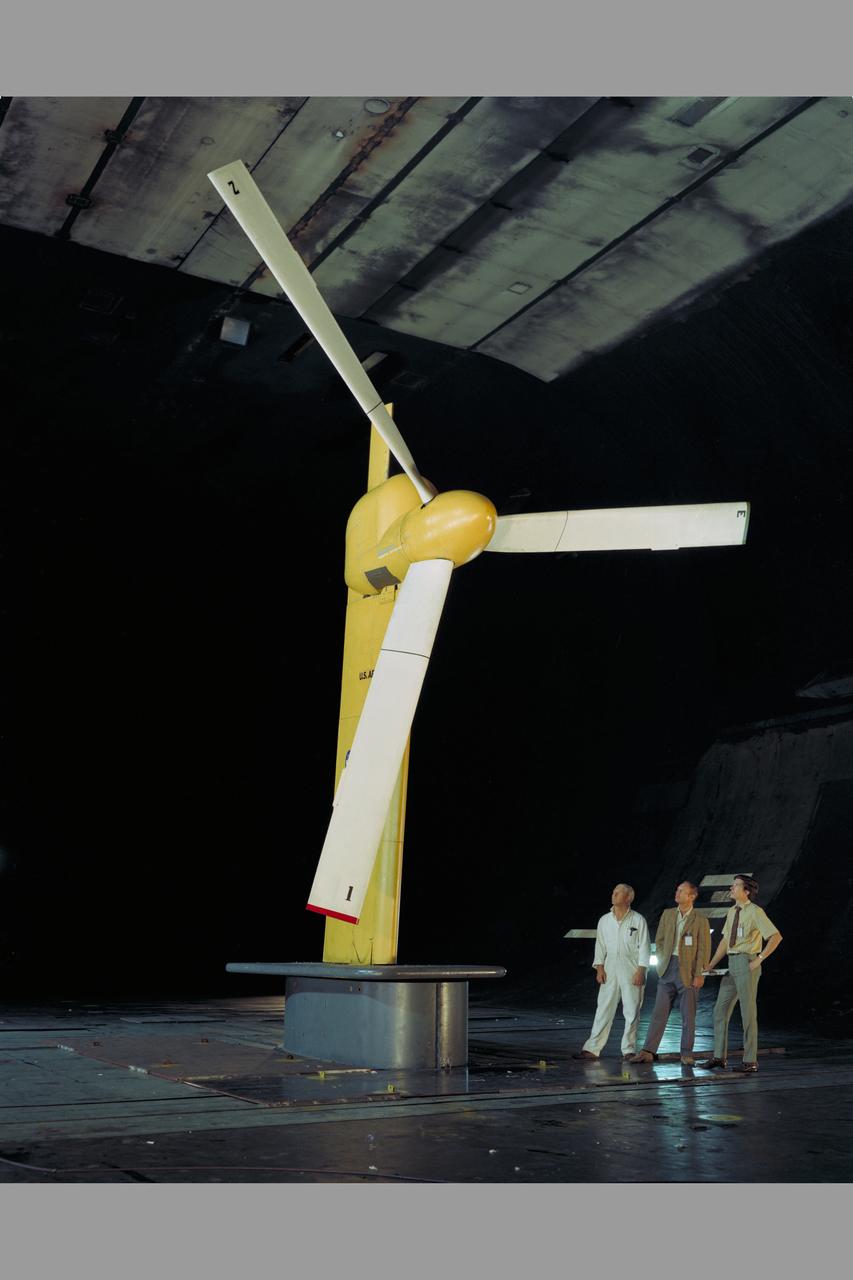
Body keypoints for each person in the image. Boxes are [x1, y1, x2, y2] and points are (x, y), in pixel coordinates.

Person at [698, 874, 782, 1074]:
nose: (731, 888)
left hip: (747, 962)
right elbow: (725, 941)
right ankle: (719, 1057)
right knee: (720, 1010)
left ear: (746, 891)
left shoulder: (755, 912)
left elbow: (775, 937)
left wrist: (759, 959)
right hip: (732, 963)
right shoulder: (732, 912)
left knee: (747, 1013)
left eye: (735, 885)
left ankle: (750, 1061)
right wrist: (711, 964)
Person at [630, 881, 711, 1066]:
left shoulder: (700, 920)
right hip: (667, 968)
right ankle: (648, 1051)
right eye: (677, 890)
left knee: (688, 1016)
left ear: (692, 896)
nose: (677, 893)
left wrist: (699, 974)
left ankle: (686, 1053)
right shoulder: (668, 914)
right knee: (658, 1012)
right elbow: (659, 940)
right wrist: (662, 961)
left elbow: (704, 949)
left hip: (688, 972)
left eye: (681, 891)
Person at [573, 883, 650, 1060]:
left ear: (628, 898)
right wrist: (599, 968)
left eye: (618, 893)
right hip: (610, 968)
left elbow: (644, 946)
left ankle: (628, 1049)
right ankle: (592, 1048)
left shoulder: (638, 920)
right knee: (604, 1007)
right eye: (614, 892)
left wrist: (641, 970)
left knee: (632, 1010)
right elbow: (600, 945)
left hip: (631, 968)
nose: (613, 895)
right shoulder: (604, 920)